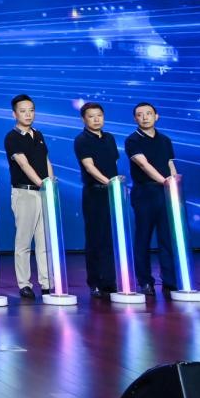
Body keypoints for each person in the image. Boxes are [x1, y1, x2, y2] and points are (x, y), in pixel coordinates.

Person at [124, 102, 179, 296]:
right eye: (140, 114)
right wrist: (165, 181)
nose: (145, 117)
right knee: (143, 238)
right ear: (135, 118)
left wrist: (173, 182)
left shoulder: (165, 140)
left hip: (166, 192)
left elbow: (170, 164)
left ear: (156, 116)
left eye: (149, 113)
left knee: (167, 238)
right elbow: (143, 165)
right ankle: (145, 281)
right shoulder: (133, 140)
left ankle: (170, 281)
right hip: (145, 193)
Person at [4, 94, 52, 300]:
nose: (28, 114)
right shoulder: (12, 137)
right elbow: (23, 164)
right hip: (24, 193)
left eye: (31, 110)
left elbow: (46, 160)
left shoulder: (38, 135)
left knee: (44, 241)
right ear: (14, 114)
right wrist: (41, 183)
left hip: (43, 192)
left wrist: (50, 182)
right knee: (23, 241)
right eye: (23, 111)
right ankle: (24, 284)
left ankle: (47, 283)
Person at [74, 102, 118, 299]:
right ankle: (95, 282)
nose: (96, 119)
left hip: (112, 193)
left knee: (110, 238)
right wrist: (109, 182)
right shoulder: (81, 140)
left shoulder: (109, 138)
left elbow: (113, 163)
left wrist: (115, 185)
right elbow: (89, 167)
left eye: (99, 115)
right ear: (84, 119)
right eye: (91, 116)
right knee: (95, 239)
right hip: (94, 193)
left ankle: (109, 281)